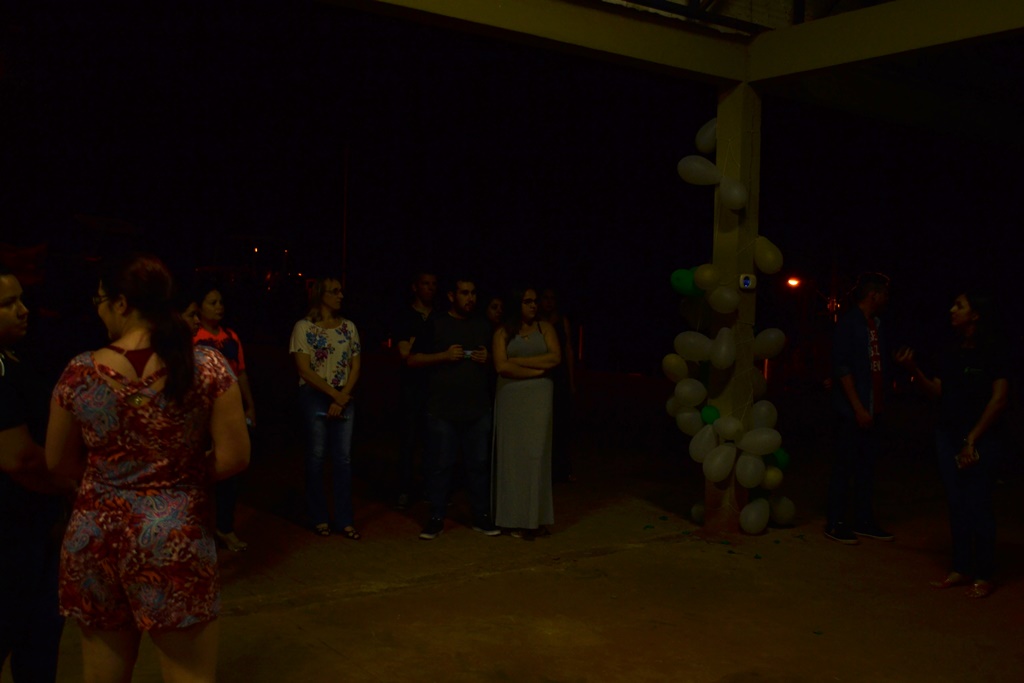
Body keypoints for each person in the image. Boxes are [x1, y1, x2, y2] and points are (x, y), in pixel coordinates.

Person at [45, 253, 250, 683]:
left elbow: (57, 460)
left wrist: (110, 478)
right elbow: (234, 456)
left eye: (100, 301)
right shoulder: (207, 366)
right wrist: (177, 476)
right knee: (188, 674)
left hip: (95, 538)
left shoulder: (79, 372)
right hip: (173, 537)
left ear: (121, 303)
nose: (98, 310)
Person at [896, 291, 1009, 598]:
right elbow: (938, 391)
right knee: (956, 502)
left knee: (979, 503)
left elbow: (999, 399)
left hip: (983, 437)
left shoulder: (994, 350)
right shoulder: (951, 350)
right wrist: (913, 370)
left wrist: (972, 438)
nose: (952, 310)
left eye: (959, 306)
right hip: (948, 436)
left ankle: (984, 573)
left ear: (976, 315)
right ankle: (960, 567)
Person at [0, 265, 70, 682]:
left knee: (37, 644)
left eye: (21, 299)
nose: (23, 310)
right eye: (8, 304)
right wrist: (71, 485)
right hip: (12, 537)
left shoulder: (12, 358)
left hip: (29, 531)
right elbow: (18, 458)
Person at [408, 277, 499, 540]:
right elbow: (412, 359)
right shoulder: (436, 323)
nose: (470, 298)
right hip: (442, 410)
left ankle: (481, 516)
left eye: (473, 293)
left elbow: (499, 361)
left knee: (479, 466)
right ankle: (436, 518)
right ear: (451, 296)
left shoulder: (483, 325)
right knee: (440, 466)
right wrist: (443, 356)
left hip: (477, 409)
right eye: (464, 293)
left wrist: (488, 358)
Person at [824, 272, 894, 544]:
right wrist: (857, 407)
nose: (887, 299)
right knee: (844, 466)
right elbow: (842, 368)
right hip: (851, 410)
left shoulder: (876, 324)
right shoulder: (849, 323)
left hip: (873, 407)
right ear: (873, 295)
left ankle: (863, 519)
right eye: (883, 294)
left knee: (867, 467)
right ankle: (836, 521)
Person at [289, 276, 362, 539]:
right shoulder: (304, 328)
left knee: (343, 458)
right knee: (317, 455)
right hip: (316, 394)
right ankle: (318, 516)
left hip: (342, 393)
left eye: (341, 291)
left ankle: (344, 519)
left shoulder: (348, 327)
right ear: (322, 295)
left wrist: (343, 395)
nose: (341, 295)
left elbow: (355, 365)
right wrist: (334, 395)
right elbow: (304, 369)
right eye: (335, 291)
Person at [492, 287, 561, 540]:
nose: (534, 305)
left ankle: (534, 519)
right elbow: (501, 366)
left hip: (539, 398)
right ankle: (513, 519)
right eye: (527, 301)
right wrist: (535, 370)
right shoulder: (502, 332)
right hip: (511, 398)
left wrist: (518, 362)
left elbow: (554, 358)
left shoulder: (545, 328)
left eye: (535, 301)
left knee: (535, 456)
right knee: (512, 458)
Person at [194, 285, 255, 552]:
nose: (219, 307)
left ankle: (225, 527)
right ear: (199, 308)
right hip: (203, 412)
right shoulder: (194, 337)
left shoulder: (231, 337)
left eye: (220, 302)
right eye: (212, 302)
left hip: (228, 411)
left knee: (230, 471)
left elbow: (240, 373)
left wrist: (249, 406)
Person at [393, 270, 437, 509]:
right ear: (415, 287)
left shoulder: (439, 316)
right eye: (425, 283)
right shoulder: (405, 315)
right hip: (411, 387)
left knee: (434, 441)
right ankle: (404, 489)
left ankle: (431, 488)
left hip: (435, 386)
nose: (430, 288)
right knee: (408, 440)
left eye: (433, 284)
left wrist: (418, 350)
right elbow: (404, 353)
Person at [538, 287, 577, 483]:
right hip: (542, 375)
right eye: (545, 298)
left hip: (560, 377)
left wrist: (571, 381)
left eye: (552, 298)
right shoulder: (536, 322)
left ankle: (562, 469)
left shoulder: (562, 321)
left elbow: (568, 349)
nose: (549, 302)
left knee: (561, 423)